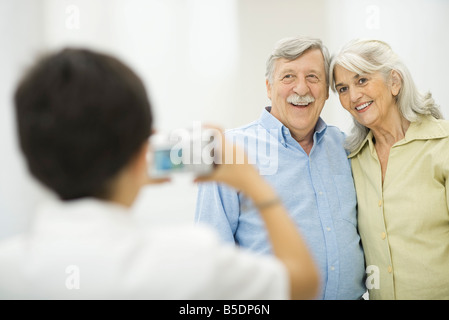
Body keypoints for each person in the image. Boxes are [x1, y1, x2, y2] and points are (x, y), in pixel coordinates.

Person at [0, 48, 320, 299]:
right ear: (143, 150)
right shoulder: (190, 261)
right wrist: (253, 183)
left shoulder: (8, 268)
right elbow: (303, 283)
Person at [195, 36, 366, 300]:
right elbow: (210, 256)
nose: (301, 88)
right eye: (288, 77)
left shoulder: (347, 146)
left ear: (326, 89)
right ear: (269, 87)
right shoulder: (228, 151)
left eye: (313, 77)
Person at [330, 39, 449, 300]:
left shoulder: (443, 146)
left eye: (362, 80)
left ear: (394, 82)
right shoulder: (352, 158)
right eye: (342, 88)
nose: (353, 96)